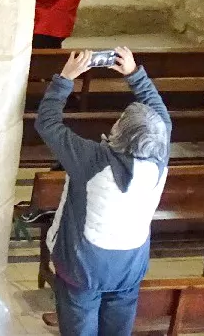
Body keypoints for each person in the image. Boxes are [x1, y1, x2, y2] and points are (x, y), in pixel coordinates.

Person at [37, 48, 171, 336]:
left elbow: (47, 123)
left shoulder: (91, 159)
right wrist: (136, 75)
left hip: (82, 265)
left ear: (118, 131)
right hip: (129, 263)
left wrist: (65, 78)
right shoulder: (159, 158)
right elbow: (161, 117)